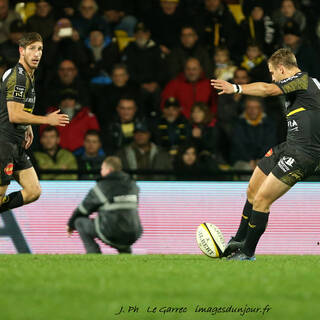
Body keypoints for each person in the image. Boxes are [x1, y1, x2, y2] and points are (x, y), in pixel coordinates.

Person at [211, 48, 320, 260]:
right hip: (289, 147)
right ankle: (238, 240)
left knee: (261, 200)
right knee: (252, 191)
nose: (272, 77)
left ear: (281, 68)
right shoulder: (310, 84)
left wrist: (236, 88)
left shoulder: (302, 80)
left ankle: (247, 252)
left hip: (304, 154)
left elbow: (268, 90)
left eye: (272, 72)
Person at [0, 32, 69, 214]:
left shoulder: (26, 74)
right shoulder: (19, 77)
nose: (37, 53)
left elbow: (10, 106)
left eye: (40, 49)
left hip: (16, 145)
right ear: (21, 51)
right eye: (32, 49)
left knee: (33, 191)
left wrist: (27, 124)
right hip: (4, 145)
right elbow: (14, 115)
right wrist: (46, 120)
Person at [66, 156, 143, 254]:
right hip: (134, 232)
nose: (101, 172)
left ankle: (93, 253)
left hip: (112, 233)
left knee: (79, 222)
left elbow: (83, 209)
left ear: (109, 170)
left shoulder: (102, 186)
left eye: (102, 169)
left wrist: (70, 224)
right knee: (121, 224)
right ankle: (126, 254)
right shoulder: (133, 185)